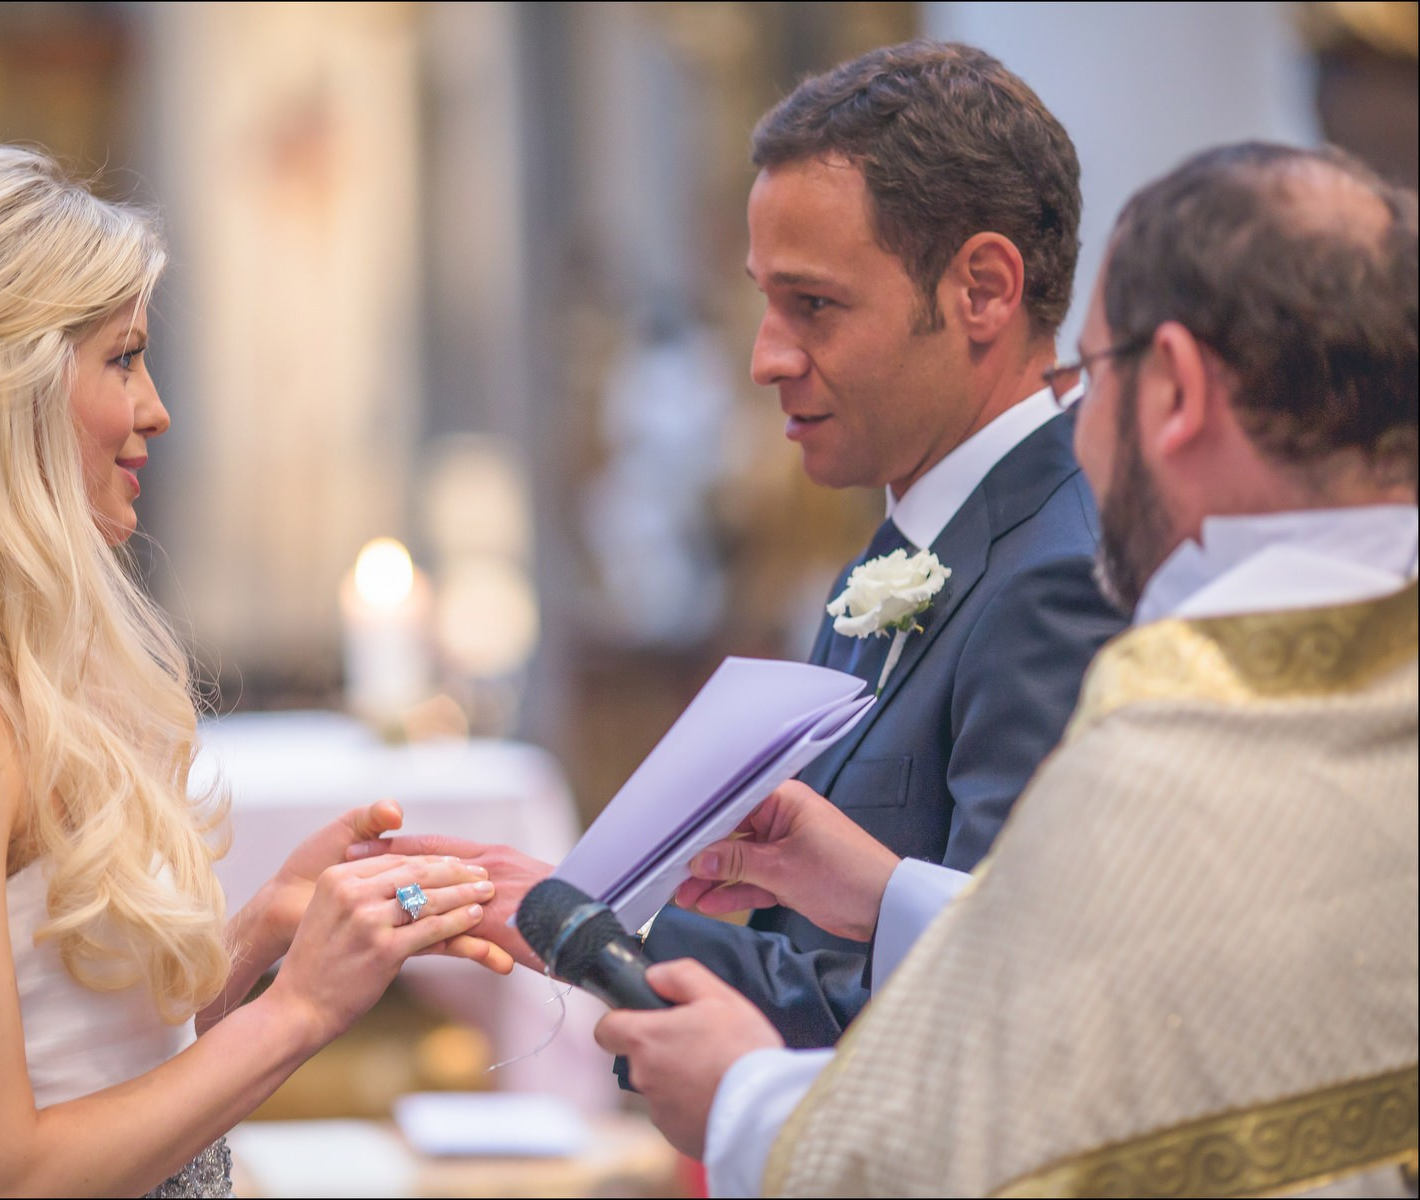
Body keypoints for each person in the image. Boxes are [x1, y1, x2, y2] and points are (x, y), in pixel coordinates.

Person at [0, 146, 513, 1199]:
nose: (155, 408)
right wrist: (302, 1014)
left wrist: (258, 945)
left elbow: (87, 1079)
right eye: (122, 360)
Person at [594, 140, 1419, 1197]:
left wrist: (743, 1098)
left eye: (1098, 374)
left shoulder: (1182, 740)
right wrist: (886, 894)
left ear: (1175, 392)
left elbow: (978, 1145)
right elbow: (1169, 969)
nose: (1079, 437)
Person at [359, 39, 1125, 1050]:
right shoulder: (915, 539)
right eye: (765, 301)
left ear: (982, 289)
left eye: (812, 305)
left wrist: (586, 931)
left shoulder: (1055, 576)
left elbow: (993, 1017)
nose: (765, 358)